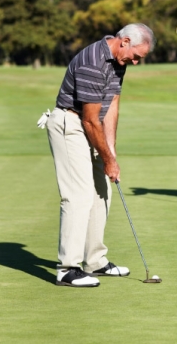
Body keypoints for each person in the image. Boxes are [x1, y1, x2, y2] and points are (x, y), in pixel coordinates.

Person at [45, 23, 155, 287]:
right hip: (70, 124)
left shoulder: (119, 60)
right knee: (79, 194)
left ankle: (95, 261)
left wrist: (111, 149)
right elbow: (91, 120)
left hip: (90, 125)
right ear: (125, 41)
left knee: (102, 190)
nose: (136, 62)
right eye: (137, 56)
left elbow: (113, 103)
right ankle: (67, 268)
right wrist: (108, 159)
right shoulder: (93, 62)